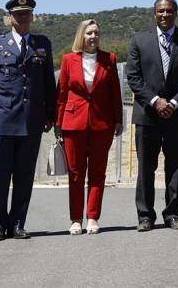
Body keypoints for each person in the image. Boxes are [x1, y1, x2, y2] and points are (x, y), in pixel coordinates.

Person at [0, 0, 56, 240]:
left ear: (32, 17)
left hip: (31, 120)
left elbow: (48, 83)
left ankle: (18, 222)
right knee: (1, 176)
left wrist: (50, 114)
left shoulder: (42, 44)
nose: (23, 17)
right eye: (18, 14)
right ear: (10, 17)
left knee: (24, 176)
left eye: (27, 14)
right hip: (3, 118)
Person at [127, 0, 178, 232]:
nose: (165, 15)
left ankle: (173, 214)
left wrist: (174, 103)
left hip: (177, 115)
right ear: (154, 13)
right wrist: (155, 101)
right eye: (161, 11)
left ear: (176, 13)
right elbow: (133, 77)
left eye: (169, 11)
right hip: (147, 115)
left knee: (176, 167)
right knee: (145, 167)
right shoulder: (140, 40)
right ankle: (145, 216)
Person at [56, 19, 124, 235]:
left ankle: (93, 217)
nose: (93, 37)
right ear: (81, 36)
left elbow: (115, 92)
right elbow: (62, 94)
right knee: (75, 173)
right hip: (73, 123)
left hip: (101, 124)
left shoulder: (109, 59)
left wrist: (118, 119)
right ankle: (76, 218)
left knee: (97, 173)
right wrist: (58, 123)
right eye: (89, 33)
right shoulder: (68, 60)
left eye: (96, 33)